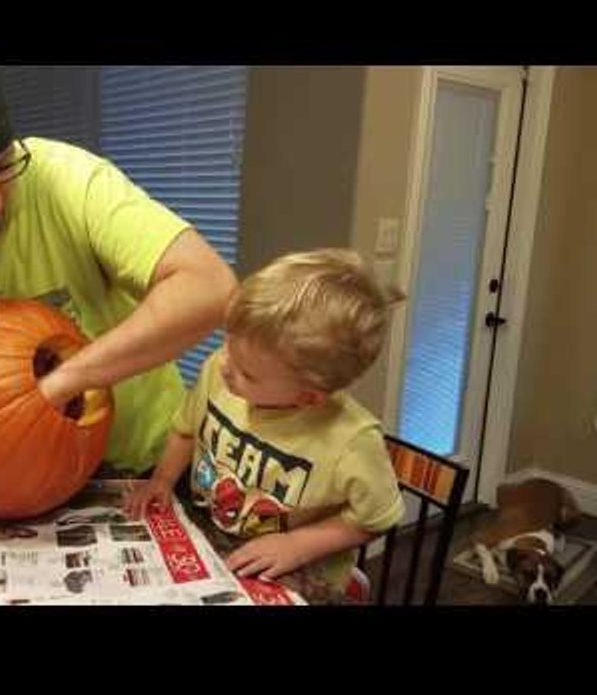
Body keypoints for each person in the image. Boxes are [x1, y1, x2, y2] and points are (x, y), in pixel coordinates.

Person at [0, 66, 236, 475]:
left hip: (143, 468)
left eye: (3, 166)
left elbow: (209, 286)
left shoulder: (69, 179)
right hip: (10, 477)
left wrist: (62, 382)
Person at [124, 249, 406, 601]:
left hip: (297, 572)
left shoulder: (352, 440)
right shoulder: (219, 370)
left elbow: (377, 517)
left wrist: (298, 544)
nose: (225, 365)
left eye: (247, 373)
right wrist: (162, 480)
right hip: (215, 533)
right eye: (227, 343)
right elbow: (185, 428)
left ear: (309, 397)